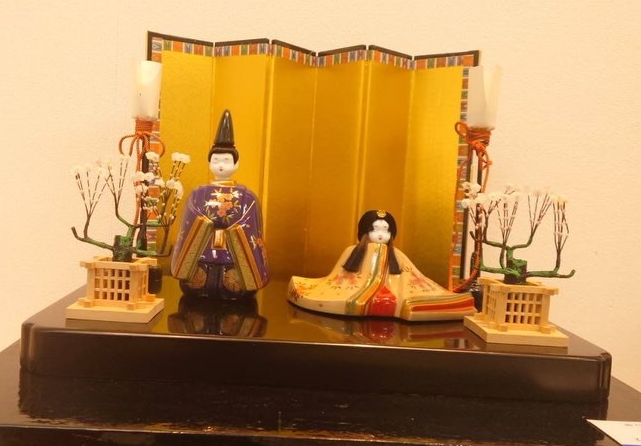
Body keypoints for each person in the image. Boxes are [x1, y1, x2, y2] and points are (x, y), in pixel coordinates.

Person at [288, 210, 474, 321]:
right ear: (365, 232)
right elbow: (337, 277)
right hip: (356, 292)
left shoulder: (397, 255)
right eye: (375, 229)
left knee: (412, 298)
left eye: (385, 230)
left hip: (393, 290)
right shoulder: (352, 251)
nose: (380, 234)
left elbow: (413, 275)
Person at [170, 110, 268, 299]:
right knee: (198, 284)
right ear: (209, 163)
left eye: (226, 160)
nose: (220, 165)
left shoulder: (247, 196)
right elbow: (191, 214)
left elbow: (249, 219)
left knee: (233, 286)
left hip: (233, 255)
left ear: (236, 164)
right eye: (216, 160)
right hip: (203, 251)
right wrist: (206, 222)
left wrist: (230, 225)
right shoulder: (198, 193)